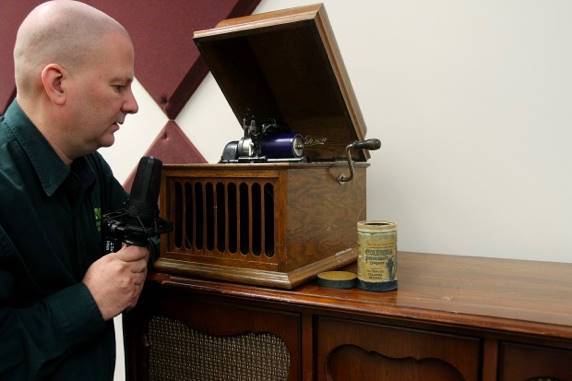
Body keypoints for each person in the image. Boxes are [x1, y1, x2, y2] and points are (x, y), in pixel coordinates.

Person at [0, 1, 150, 379]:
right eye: (119, 86)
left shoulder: (89, 167)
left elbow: (138, 232)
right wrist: (89, 302)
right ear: (57, 84)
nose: (131, 105)